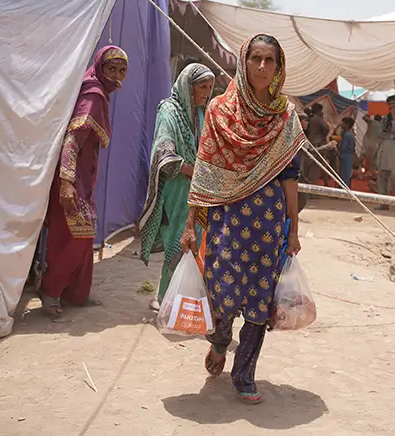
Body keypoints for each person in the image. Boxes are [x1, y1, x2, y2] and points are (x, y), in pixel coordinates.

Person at [181, 34, 304, 404]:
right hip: (228, 217)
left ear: (279, 66)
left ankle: (245, 374)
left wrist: (294, 228)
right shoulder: (220, 111)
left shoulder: (285, 117)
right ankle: (219, 342)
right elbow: (204, 170)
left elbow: (291, 178)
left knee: (259, 299)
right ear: (244, 62)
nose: (263, 67)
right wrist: (192, 224)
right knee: (223, 290)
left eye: (270, 60)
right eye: (256, 59)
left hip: (268, 221)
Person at [39, 45, 129, 317]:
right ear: (99, 68)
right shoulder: (94, 96)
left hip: (82, 181)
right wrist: (66, 182)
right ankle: (50, 291)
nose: (117, 76)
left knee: (84, 236)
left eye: (122, 70)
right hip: (72, 180)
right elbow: (72, 139)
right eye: (111, 69)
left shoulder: (99, 92)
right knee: (73, 239)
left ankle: (76, 295)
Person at [137, 63, 215, 310]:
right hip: (176, 189)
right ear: (187, 86)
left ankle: (181, 298)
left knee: (196, 244)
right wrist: (192, 170)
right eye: (202, 87)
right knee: (177, 243)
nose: (207, 92)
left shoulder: (202, 113)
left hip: (198, 190)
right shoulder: (169, 110)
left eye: (210, 87)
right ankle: (165, 299)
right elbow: (163, 151)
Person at [304, 103, 333, 185]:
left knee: (308, 167)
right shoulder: (318, 119)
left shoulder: (310, 119)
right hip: (317, 144)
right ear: (319, 111)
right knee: (314, 168)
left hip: (309, 143)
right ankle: (311, 188)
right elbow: (326, 128)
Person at [338, 117, 356, 187]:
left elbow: (343, 147)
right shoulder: (351, 134)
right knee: (348, 173)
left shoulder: (346, 135)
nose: (341, 124)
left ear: (347, 124)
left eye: (343, 123)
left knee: (344, 173)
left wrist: (339, 152)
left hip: (344, 155)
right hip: (349, 155)